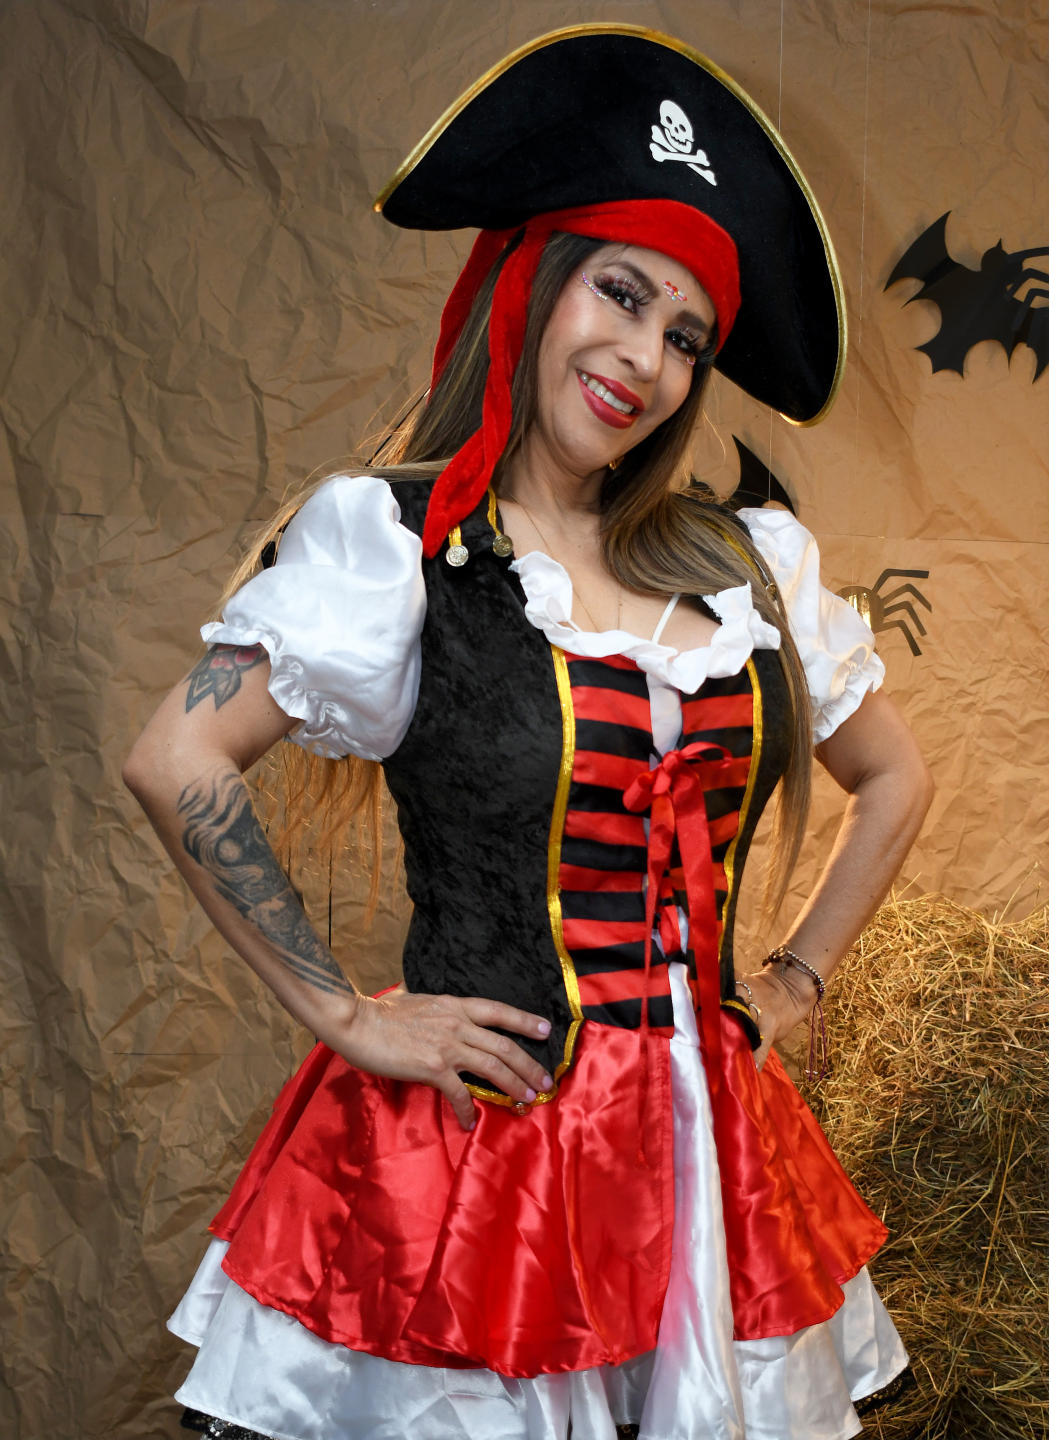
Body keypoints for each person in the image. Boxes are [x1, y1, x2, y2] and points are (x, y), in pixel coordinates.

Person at [124, 26, 933, 1440]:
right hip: (480, 1158)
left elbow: (894, 776)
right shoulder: (396, 546)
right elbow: (173, 760)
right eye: (619, 292)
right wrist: (342, 1016)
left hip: (709, 1160)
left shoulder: (744, 566)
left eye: (685, 336)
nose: (644, 359)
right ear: (532, 279)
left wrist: (795, 978)